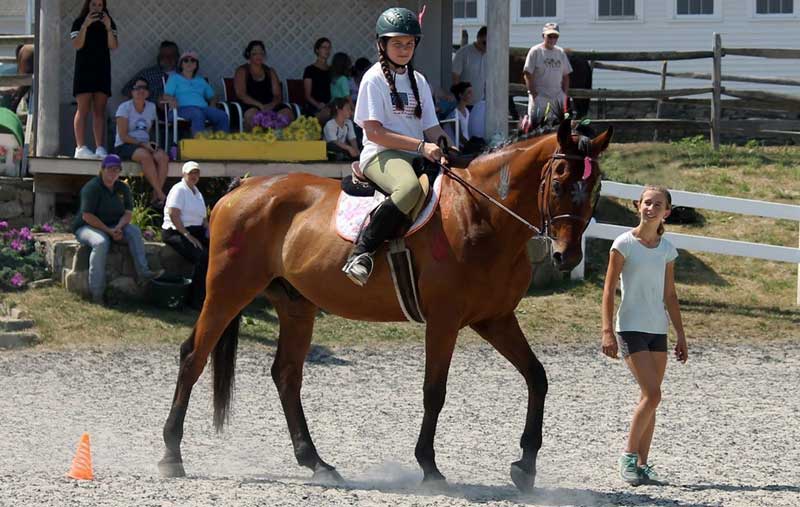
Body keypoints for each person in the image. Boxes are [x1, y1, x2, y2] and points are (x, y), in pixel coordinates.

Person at [343, 7, 451, 286]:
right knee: (410, 189)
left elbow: (433, 128)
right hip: (380, 155)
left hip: (416, 154)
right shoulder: (373, 78)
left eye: (409, 43)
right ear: (382, 44)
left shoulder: (419, 81)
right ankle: (362, 252)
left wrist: (448, 146)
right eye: (397, 43)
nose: (404, 49)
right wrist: (421, 146)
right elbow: (375, 133)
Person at [601, 185, 689, 486]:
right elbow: (608, 289)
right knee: (653, 395)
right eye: (647, 203)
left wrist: (680, 334)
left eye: (657, 204)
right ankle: (627, 457)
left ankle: (642, 464)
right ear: (638, 206)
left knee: (649, 399)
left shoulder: (667, 249)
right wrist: (607, 332)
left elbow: (671, 294)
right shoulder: (623, 243)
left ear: (667, 212)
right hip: (630, 328)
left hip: (657, 330)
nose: (651, 208)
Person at [72, 154, 163, 304]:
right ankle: (97, 293)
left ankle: (144, 273)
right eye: (110, 169)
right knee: (101, 242)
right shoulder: (92, 188)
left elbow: (128, 213)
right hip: (87, 226)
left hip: (115, 225)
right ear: (102, 170)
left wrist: (119, 228)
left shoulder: (122, 187)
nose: (113, 173)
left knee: (134, 232)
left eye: (117, 169)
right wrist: (109, 231)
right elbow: (87, 216)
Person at [70, 0, 118, 160]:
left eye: (99, 5)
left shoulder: (109, 22)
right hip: (84, 70)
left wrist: (108, 27)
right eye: (93, 5)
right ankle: (80, 147)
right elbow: (77, 44)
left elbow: (113, 45)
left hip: (102, 69)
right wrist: (86, 24)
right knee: (82, 108)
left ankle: (99, 148)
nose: (97, 8)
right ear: (88, 6)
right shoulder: (78, 22)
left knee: (99, 110)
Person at [113, 77, 169, 208]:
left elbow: (146, 131)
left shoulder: (151, 107)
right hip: (124, 145)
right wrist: (143, 144)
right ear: (132, 92)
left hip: (145, 144)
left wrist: (147, 144)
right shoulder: (124, 107)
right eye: (137, 88)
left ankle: (155, 196)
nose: (140, 91)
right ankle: (161, 195)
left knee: (162, 157)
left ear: (148, 93)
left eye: (144, 88)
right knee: (145, 156)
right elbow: (123, 135)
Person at [162, 161, 209, 309]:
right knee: (202, 257)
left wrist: (211, 233)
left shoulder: (197, 192)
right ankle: (195, 300)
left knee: (219, 253)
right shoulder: (179, 190)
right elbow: (173, 214)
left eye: (196, 173)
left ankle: (211, 297)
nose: (194, 176)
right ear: (184, 174)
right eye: (191, 173)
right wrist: (187, 235)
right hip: (176, 231)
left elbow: (203, 219)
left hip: (195, 231)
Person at [163, 51, 230, 137]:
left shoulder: (201, 80)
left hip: (203, 108)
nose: (189, 62)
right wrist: (171, 99)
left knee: (222, 115)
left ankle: (221, 144)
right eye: (186, 60)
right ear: (181, 64)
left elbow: (213, 96)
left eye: (193, 60)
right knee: (197, 114)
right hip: (181, 109)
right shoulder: (174, 78)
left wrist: (212, 104)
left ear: (196, 65)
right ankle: (199, 146)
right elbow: (166, 95)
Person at [234, 40, 294, 131]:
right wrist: (259, 105)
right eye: (255, 53)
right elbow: (241, 94)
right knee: (253, 116)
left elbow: (277, 95)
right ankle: (259, 141)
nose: (258, 56)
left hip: (270, 104)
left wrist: (271, 105)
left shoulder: (270, 71)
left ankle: (277, 138)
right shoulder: (242, 71)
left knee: (287, 114)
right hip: (250, 104)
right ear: (248, 54)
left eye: (261, 53)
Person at [523, 22, 572, 126]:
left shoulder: (560, 52)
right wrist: (534, 94)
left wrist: (564, 95)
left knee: (557, 128)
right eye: (549, 36)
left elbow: (566, 75)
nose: (552, 39)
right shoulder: (535, 51)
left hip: (557, 98)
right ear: (543, 36)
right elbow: (527, 74)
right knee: (537, 127)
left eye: (555, 36)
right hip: (540, 97)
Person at [451, 25, 486, 104]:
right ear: (478, 38)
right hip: (464, 103)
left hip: (480, 103)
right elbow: (455, 77)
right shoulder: (463, 53)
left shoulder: (490, 56)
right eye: (484, 43)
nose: (487, 46)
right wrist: (459, 100)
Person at [302, 37, 332, 118]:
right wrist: (318, 105)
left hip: (331, 105)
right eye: (324, 47)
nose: (327, 50)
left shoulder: (332, 70)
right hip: (315, 107)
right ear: (317, 50)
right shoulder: (309, 70)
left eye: (329, 47)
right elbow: (307, 95)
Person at [442, 82, 471, 148]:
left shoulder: (467, 111)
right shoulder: (454, 114)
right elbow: (460, 137)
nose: (472, 95)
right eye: (469, 92)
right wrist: (472, 146)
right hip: (457, 149)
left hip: (465, 147)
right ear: (460, 95)